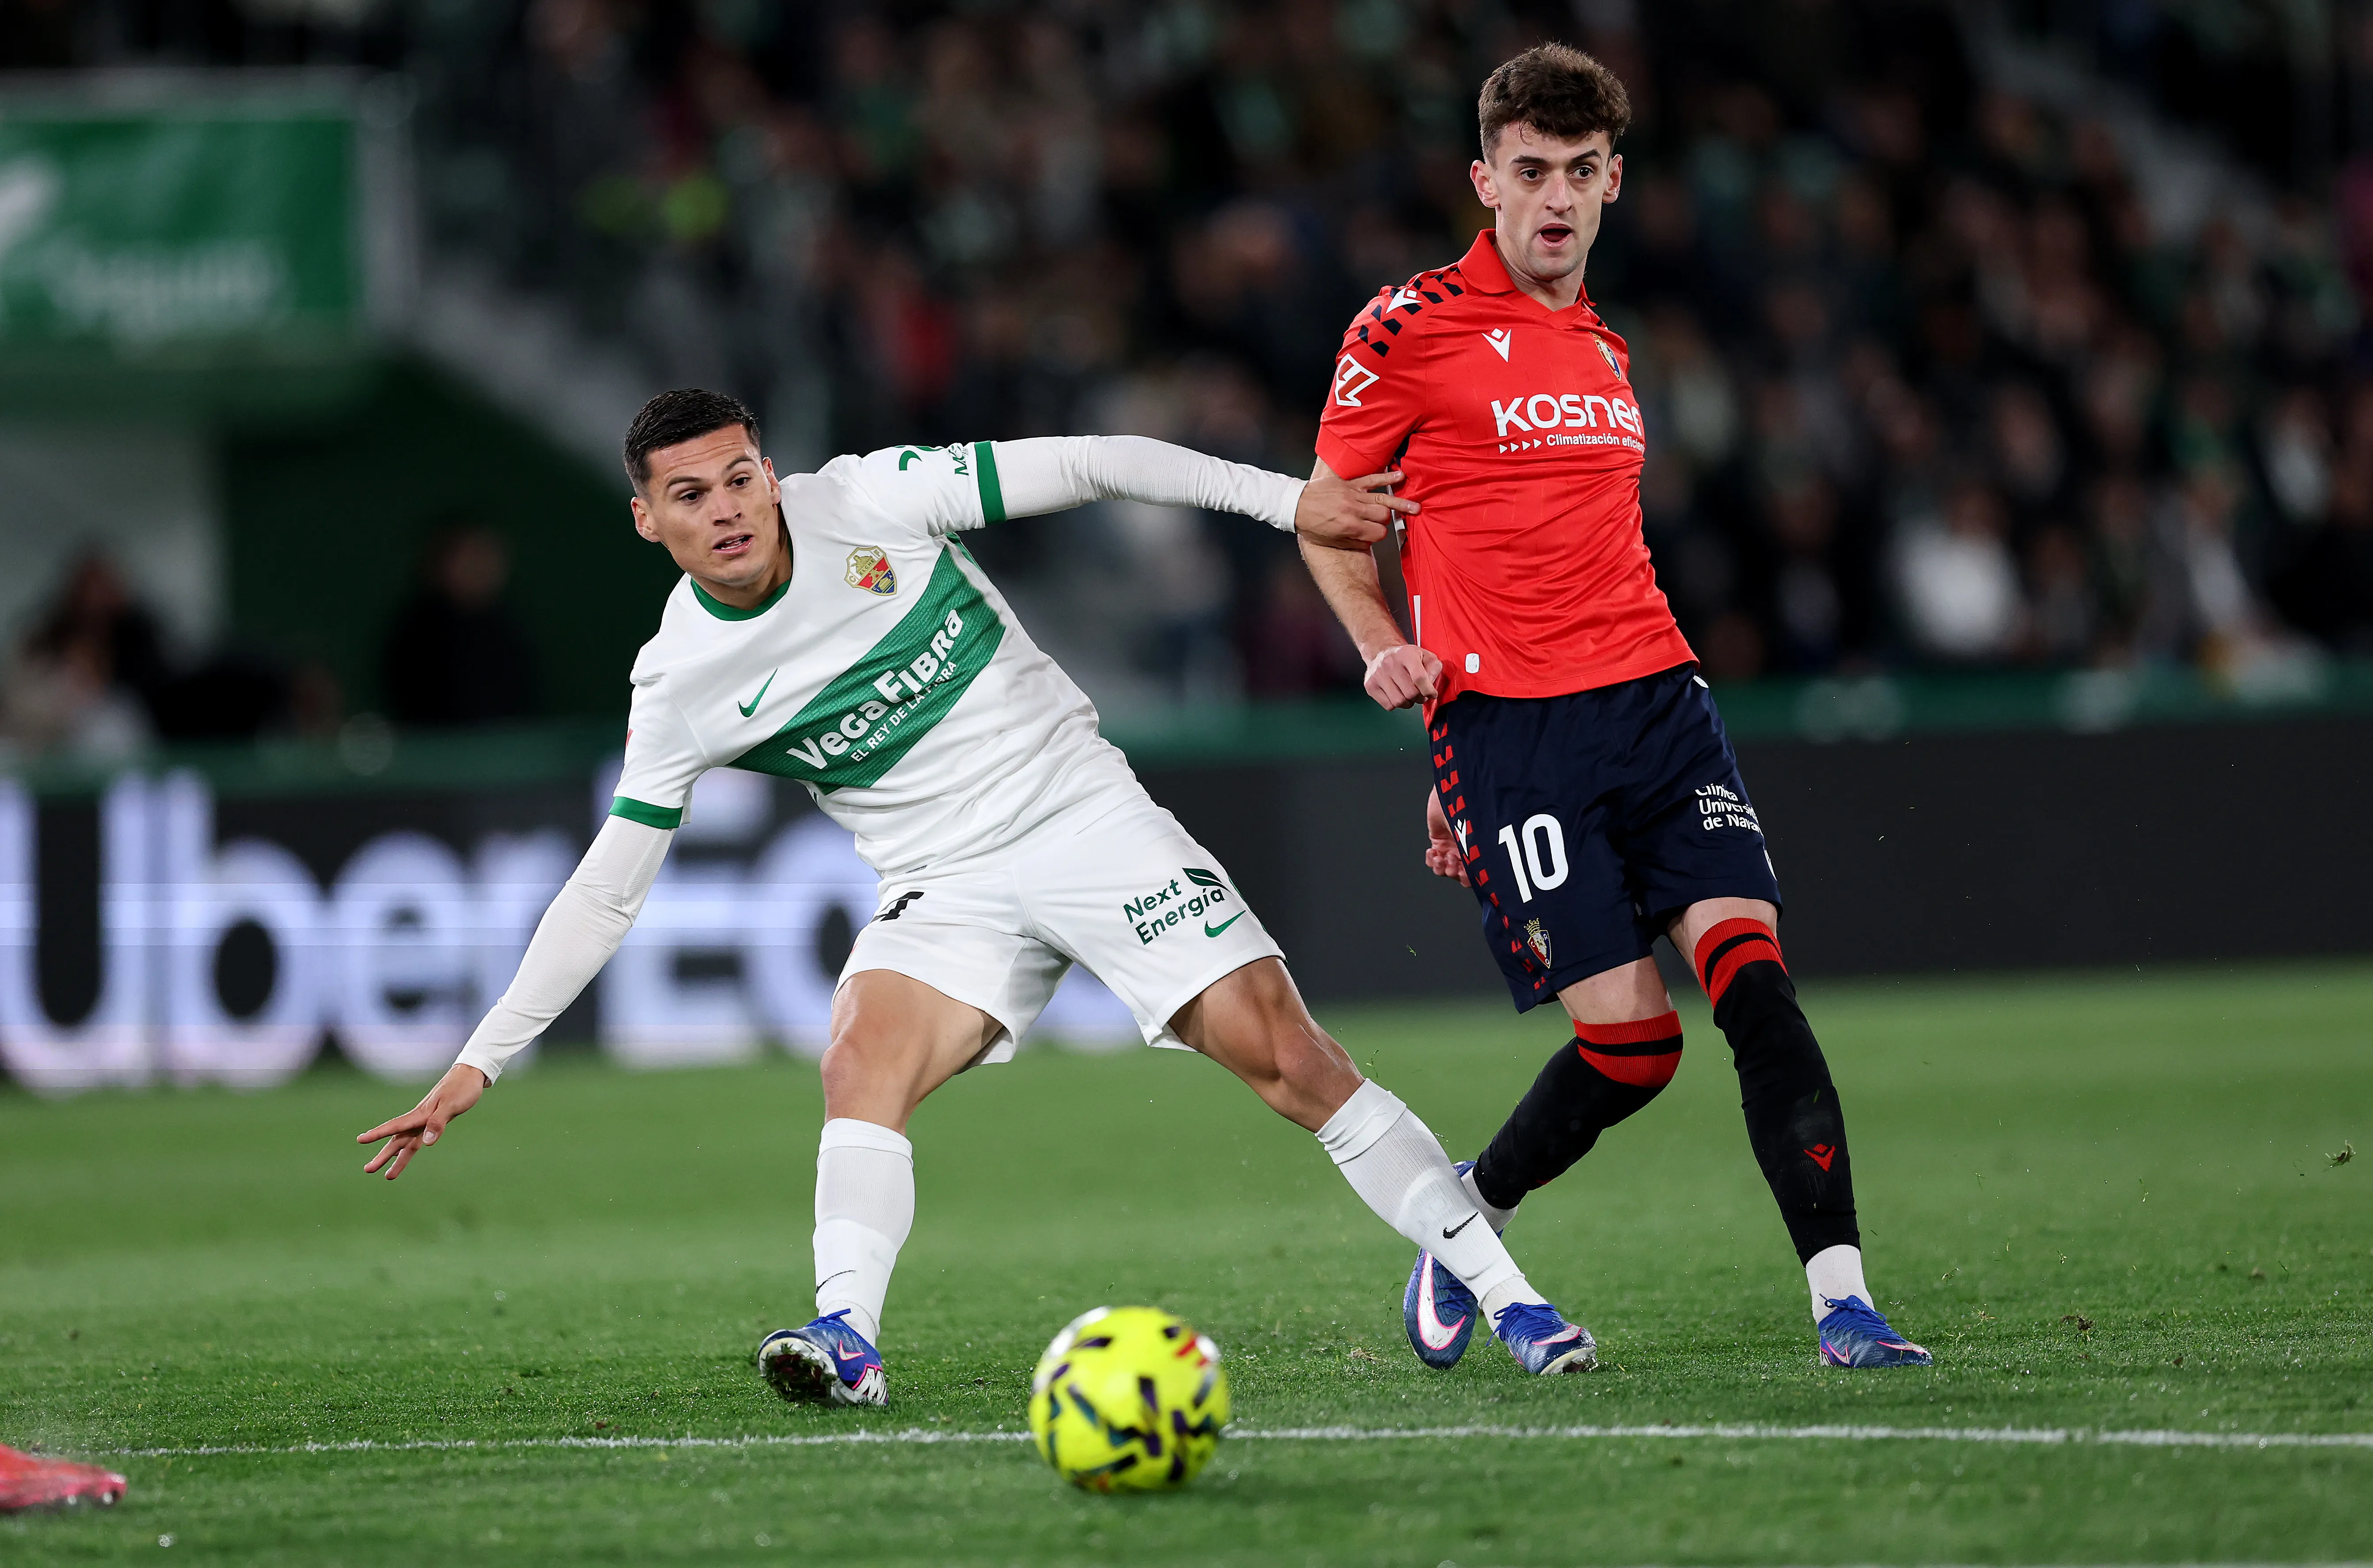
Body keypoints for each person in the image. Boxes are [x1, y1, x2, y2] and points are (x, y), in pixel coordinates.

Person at [356, 389, 1601, 1407]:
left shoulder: (875, 501)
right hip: (943, 884)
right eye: (691, 494)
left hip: (1082, 816)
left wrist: (1292, 504)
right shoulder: (680, 682)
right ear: (646, 521)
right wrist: (481, 1063)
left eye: (740, 477)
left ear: (770, 471)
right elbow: (607, 890)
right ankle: (848, 1337)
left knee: (1294, 1063)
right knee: (859, 1059)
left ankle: (1505, 1292)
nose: (728, 508)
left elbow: (1103, 459)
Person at [1297, 45, 1930, 1371]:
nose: (1557, 201)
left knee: (1755, 984)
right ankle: (1468, 1212)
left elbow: (1554, 541)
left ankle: (1845, 1303)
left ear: (1615, 182)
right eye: (1531, 173)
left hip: (1657, 697)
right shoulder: (1407, 329)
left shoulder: (1605, 348)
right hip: (1514, 734)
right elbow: (1328, 517)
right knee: (1635, 1047)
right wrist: (1396, 667)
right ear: (1485, 179)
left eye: (1582, 174)